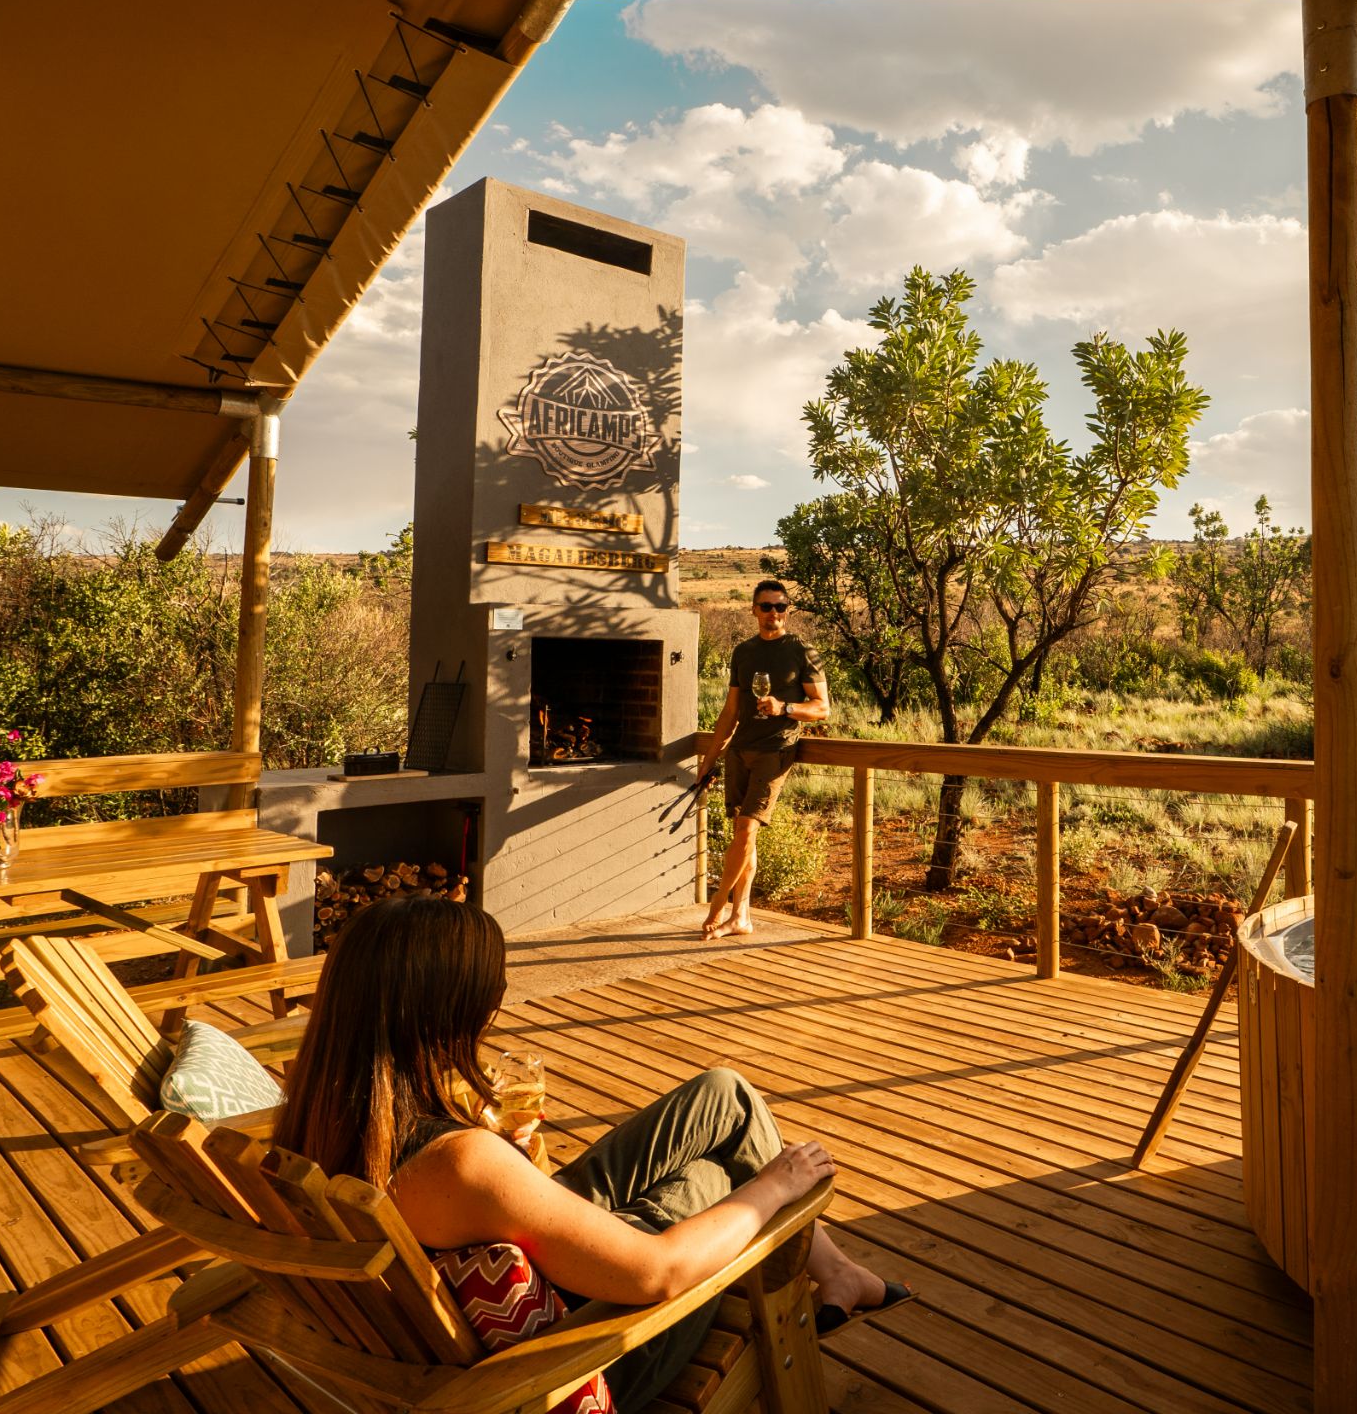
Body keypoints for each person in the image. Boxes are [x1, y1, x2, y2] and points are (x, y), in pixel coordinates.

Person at [273, 897, 912, 1408]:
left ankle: (836, 1271)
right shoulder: (459, 1162)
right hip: (586, 1349)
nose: (495, 1004)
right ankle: (823, 1275)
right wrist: (777, 1185)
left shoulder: (319, 1116)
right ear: (444, 1013)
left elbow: (477, 1200)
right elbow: (658, 1272)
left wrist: (505, 1164)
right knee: (719, 1174)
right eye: (489, 994)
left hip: (502, 1265)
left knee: (726, 1096)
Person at [696, 579, 830, 938]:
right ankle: (741, 918)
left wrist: (784, 707)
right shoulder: (744, 651)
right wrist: (709, 760)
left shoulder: (802, 651)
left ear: (788, 611)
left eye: (780, 606)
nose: (774, 613)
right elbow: (730, 712)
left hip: (776, 750)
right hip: (740, 749)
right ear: (754, 610)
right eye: (766, 606)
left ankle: (718, 903)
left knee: (745, 828)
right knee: (744, 836)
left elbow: (822, 708)